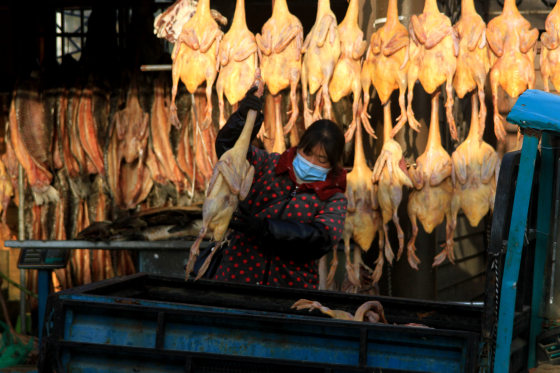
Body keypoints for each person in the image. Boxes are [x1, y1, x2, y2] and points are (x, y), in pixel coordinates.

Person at [211, 88, 347, 290]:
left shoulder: (334, 199)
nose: (311, 162)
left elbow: (320, 239)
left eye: (322, 159)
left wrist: (265, 228)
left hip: (288, 291)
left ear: (334, 164)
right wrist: (244, 117)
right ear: (299, 146)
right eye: (308, 153)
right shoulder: (268, 165)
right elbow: (230, 153)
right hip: (237, 278)